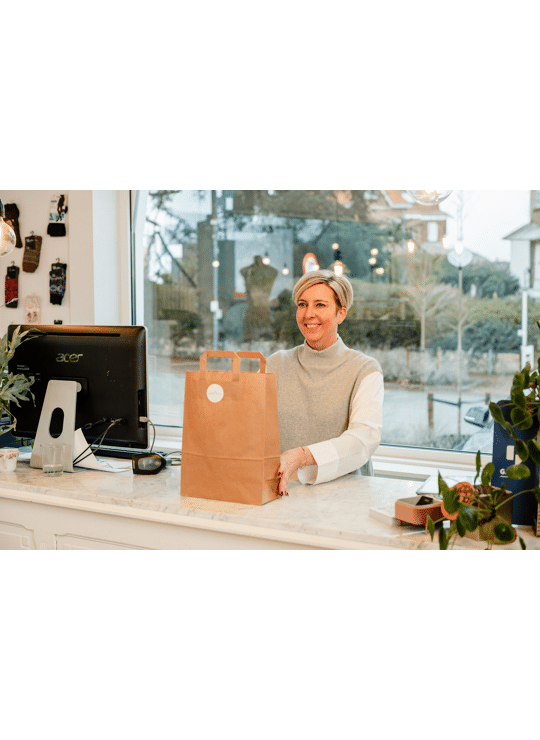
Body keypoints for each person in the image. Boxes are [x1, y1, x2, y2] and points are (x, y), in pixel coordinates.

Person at [267, 270, 383, 497]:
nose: (308, 314)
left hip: (343, 498)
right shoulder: (275, 364)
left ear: (341, 313)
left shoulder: (364, 369)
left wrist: (302, 456)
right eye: (302, 304)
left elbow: (363, 439)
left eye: (320, 305)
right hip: (283, 494)